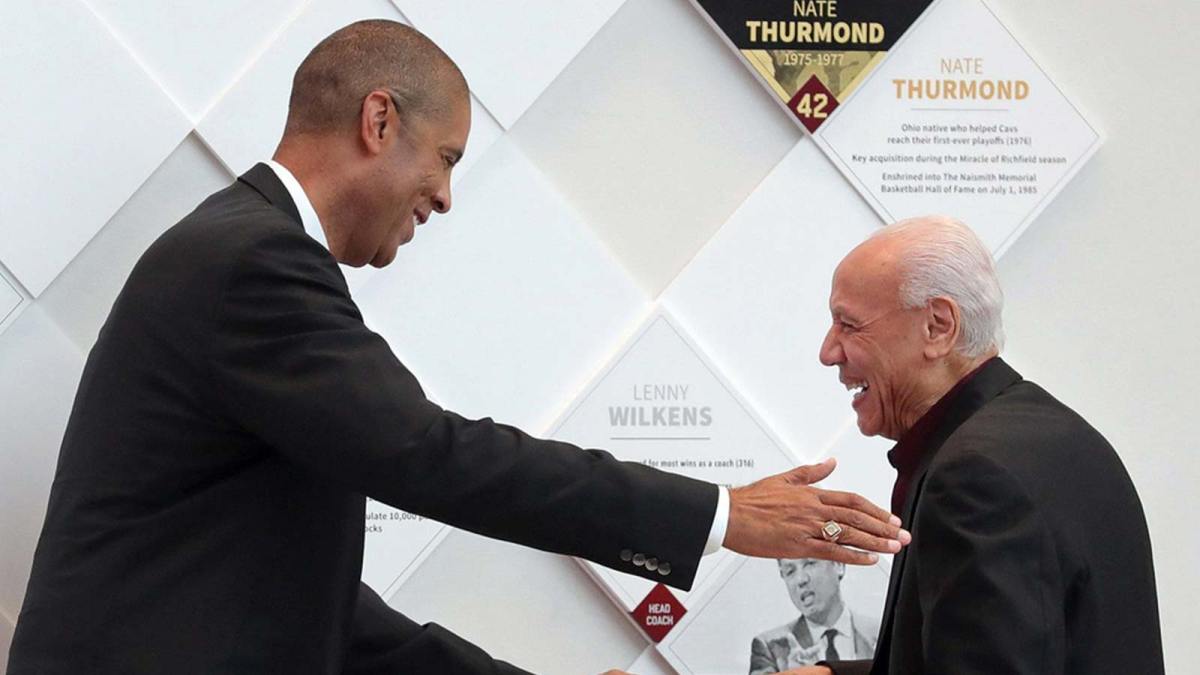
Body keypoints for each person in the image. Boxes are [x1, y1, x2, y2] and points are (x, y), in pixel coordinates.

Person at [5, 20, 907, 675]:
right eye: (446, 159)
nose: (442, 197)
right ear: (379, 120)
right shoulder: (253, 262)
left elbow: (314, 606)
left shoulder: (243, 251)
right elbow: (430, 454)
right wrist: (718, 516)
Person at [788, 216, 1163, 674]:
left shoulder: (975, 477)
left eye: (849, 325)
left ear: (938, 326)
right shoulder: (1056, 435)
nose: (829, 352)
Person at [749, 559, 877, 673]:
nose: (801, 579)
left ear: (839, 564)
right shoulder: (770, 647)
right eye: (790, 571)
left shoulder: (883, 633)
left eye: (810, 564)